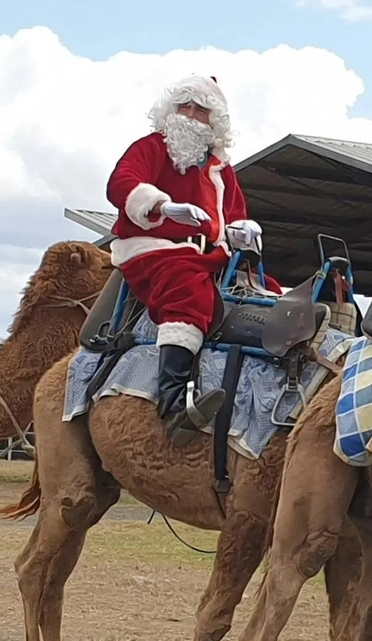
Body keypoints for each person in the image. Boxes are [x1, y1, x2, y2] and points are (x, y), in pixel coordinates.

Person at [105, 74, 282, 445]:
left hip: (211, 254)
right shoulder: (151, 147)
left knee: (267, 291)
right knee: (186, 287)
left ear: (213, 122)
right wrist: (162, 206)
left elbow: (233, 215)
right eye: (183, 106)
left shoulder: (221, 169)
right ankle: (173, 402)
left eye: (200, 110)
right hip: (153, 248)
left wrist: (242, 230)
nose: (189, 114)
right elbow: (121, 183)